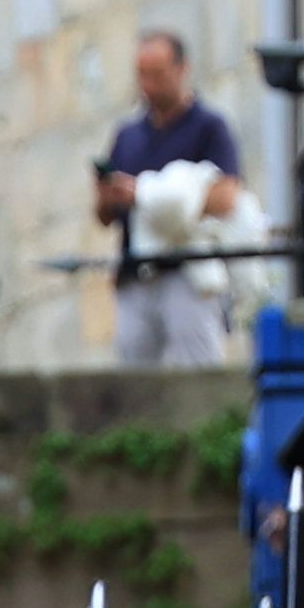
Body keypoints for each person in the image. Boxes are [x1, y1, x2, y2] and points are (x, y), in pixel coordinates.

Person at [100, 30, 252, 368]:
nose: (148, 85)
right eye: (142, 74)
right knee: (134, 376)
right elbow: (104, 217)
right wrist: (110, 195)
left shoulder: (209, 127)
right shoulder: (128, 136)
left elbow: (226, 197)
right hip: (136, 274)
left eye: (157, 74)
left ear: (182, 69)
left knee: (198, 371)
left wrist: (149, 195)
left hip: (188, 271)